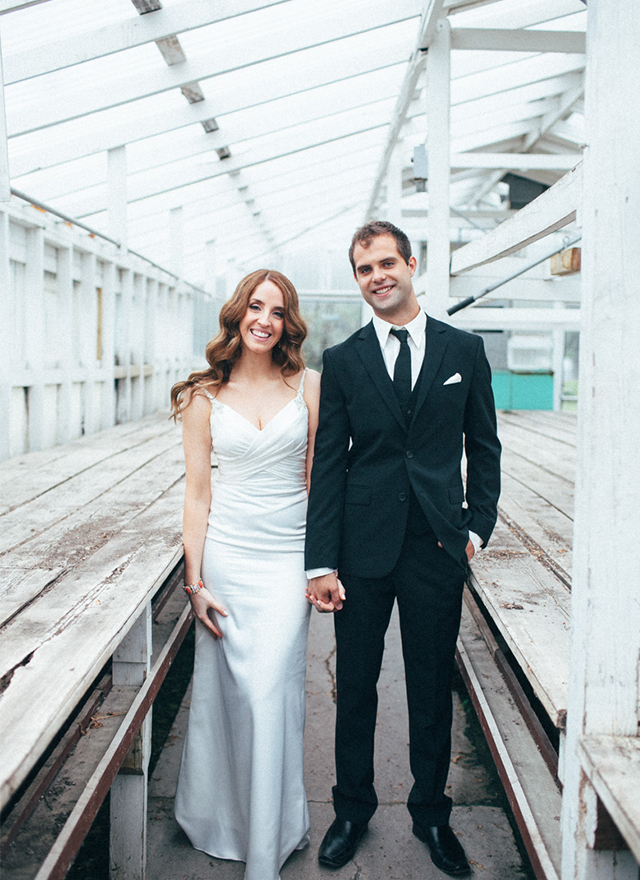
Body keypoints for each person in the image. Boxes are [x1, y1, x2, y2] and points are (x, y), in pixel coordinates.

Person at [305, 222, 501, 877]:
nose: (377, 277)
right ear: (357, 279)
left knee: (430, 689)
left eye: (386, 263)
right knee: (356, 687)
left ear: (411, 265)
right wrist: (321, 561)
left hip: (437, 547)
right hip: (362, 548)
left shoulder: (464, 350)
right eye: (364, 269)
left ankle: (432, 815)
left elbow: (485, 446)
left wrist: (476, 529)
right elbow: (329, 463)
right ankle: (351, 811)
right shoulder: (342, 360)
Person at [170, 269, 320, 880]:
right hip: (228, 556)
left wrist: (324, 564)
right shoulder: (202, 397)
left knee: (270, 693)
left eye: (277, 312)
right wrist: (195, 583)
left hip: (289, 558)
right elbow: (197, 495)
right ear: (237, 314)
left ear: (288, 324)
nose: (265, 320)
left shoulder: (309, 385)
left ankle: (271, 836)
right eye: (256, 307)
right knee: (226, 694)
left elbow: (319, 481)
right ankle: (218, 820)